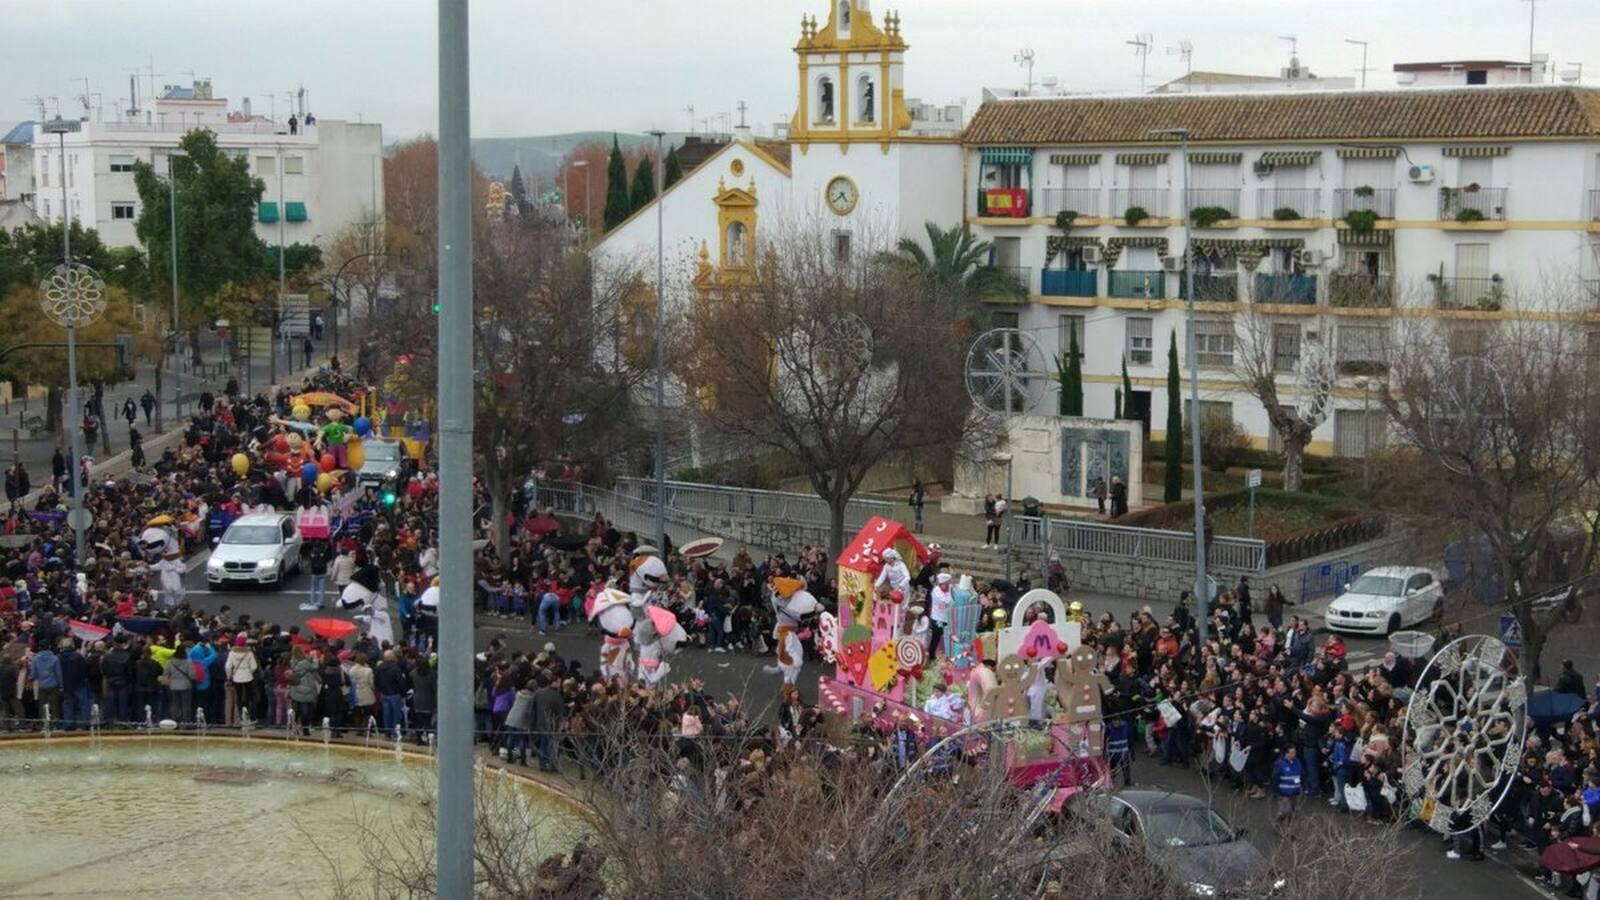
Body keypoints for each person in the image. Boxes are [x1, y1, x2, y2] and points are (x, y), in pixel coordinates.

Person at [531, 673, 566, 773]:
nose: (560, 684)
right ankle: (553, 765)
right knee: (553, 746)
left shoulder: (539, 692)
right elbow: (561, 713)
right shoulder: (557, 696)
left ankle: (542, 764)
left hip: (541, 723)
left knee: (543, 744)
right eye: (559, 682)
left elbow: (533, 708)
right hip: (553, 725)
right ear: (554, 682)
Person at [1273, 744, 1304, 825]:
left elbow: (1300, 774)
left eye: (1295, 752)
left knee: (1293, 813)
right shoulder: (1279, 764)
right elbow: (1275, 778)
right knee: (1286, 811)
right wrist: (1276, 791)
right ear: (1286, 753)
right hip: (1283, 793)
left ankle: (1290, 831)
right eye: (1292, 752)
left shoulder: (1297, 762)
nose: (1294, 754)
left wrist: (1300, 787)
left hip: (1295, 792)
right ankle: (1277, 823)